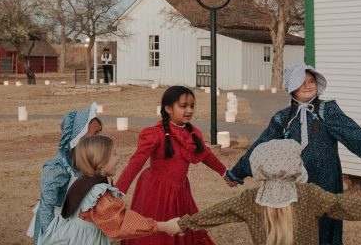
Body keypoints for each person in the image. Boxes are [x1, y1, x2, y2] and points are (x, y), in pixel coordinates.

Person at [225, 64, 361, 245]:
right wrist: (237, 172)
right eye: (301, 82)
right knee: (299, 226)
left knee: (326, 223)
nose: (308, 85)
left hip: (325, 180)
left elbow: (353, 134)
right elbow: (260, 148)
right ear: (291, 87)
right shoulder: (283, 118)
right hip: (294, 183)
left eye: (312, 81)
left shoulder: (327, 111)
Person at [178, 139, 361, 245]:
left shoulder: (250, 200)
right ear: (295, 164)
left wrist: (178, 224)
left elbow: (214, 214)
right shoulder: (308, 195)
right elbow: (344, 205)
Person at [115, 85, 231, 245]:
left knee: (184, 229)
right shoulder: (156, 134)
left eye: (192, 106)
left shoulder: (193, 133)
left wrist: (224, 172)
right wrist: (118, 190)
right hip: (156, 193)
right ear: (168, 108)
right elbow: (136, 162)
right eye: (183, 106)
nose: (189, 110)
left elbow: (206, 155)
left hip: (181, 191)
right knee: (157, 234)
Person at [37, 135, 180, 244]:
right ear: (100, 162)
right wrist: (162, 226)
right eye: (114, 154)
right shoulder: (97, 195)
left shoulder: (84, 182)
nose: (118, 158)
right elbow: (121, 222)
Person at [30, 103, 103, 244]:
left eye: (99, 133)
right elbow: (47, 207)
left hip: (78, 226)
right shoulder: (56, 167)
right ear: (79, 136)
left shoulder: (89, 163)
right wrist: (52, 239)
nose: (99, 139)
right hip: (56, 226)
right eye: (95, 134)